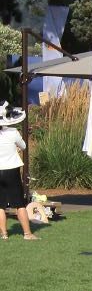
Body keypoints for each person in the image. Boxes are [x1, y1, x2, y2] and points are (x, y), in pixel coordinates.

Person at [0, 103, 38, 240]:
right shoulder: (12, 132)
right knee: (19, 203)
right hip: (11, 170)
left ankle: (4, 234)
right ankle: (27, 233)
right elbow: (24, 146)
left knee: (0, 205)